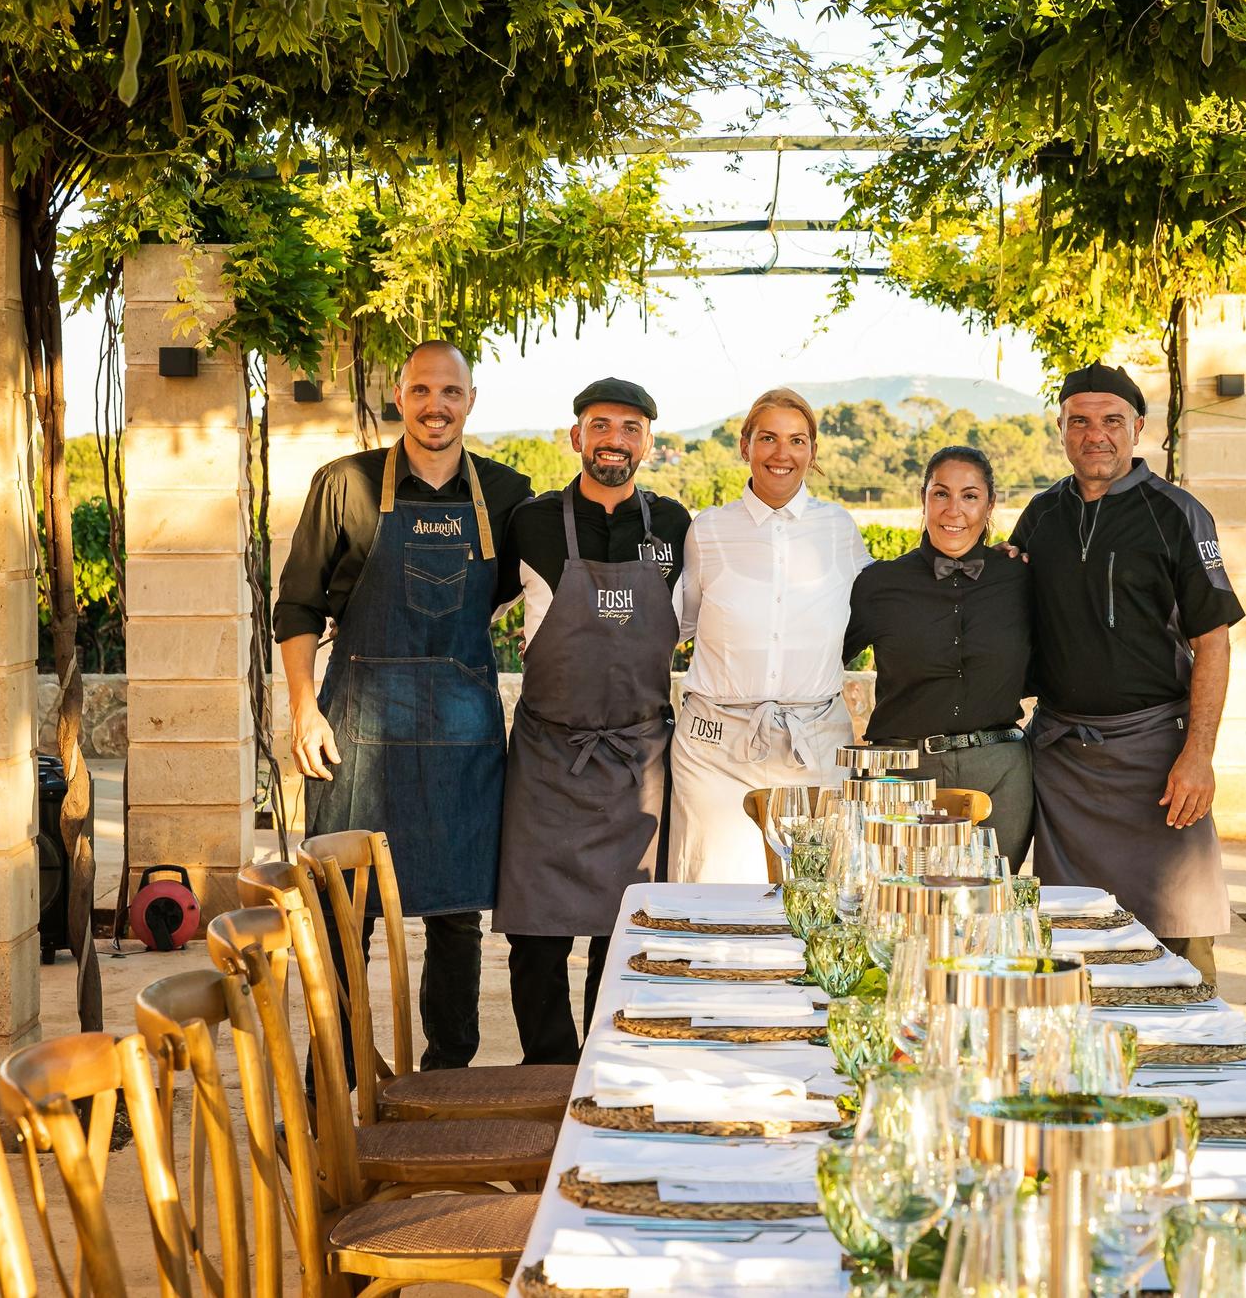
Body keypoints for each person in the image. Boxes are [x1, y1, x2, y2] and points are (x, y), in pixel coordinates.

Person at [274, 339, 531, 1071]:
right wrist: (302, 707)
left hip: (462, 738)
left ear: (471, 401)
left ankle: (447, 1077)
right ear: (400, 398)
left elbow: (527, 594)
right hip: (356, 731)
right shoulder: (344, 485)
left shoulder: (508, 496)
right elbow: (295, 606)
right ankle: (338, 1082)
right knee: (344, 914)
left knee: (457, 919)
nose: (435, 406)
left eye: (450, 392)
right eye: (421, 391)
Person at [1006, 362, 1245, 986]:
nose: (1096, 435)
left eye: (1112, 421)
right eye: (1079, 422)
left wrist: (1198, 754)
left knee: (1181, 950)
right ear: (1061, 429)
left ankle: (1202, 1072)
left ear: (1137, 428)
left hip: (1159, 764)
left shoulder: (1178, 515)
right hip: (1062, 765)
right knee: (1071, 944)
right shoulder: (1040, 516)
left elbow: (1212, 642)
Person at [495, 377, 690, 1063]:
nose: (615, 440)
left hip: (639, 761)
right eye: (601, 425)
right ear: (576, 436)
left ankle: (610, 1069)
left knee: (625, 934)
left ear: (648, 443)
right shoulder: (532, 521)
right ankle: (548, 1074)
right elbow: (474, 615)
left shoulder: (674, 526)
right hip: (550, 758)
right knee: (537, 939)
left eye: (631, 428)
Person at [669, 388, 870, 882]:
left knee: (813, 904)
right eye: (768, 438)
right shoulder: (708, 531)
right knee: (710, 898)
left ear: (812, 452)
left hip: (815, 749)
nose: (782, 454)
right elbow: (673, 627)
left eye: (797, 440)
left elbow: (884, 609)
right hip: (714, 751)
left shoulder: (839, 530)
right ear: (745, 445)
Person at [843, 446, 1033, 857]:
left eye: (970, 496)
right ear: (924, 499)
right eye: (941, 494)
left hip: (1001, 770)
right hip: (902, 772)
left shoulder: (1021, 579)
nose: (954, 511)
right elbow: (821, 659)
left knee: (990, 906)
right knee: (894, 910)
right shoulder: (880, 584)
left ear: (990, 505)